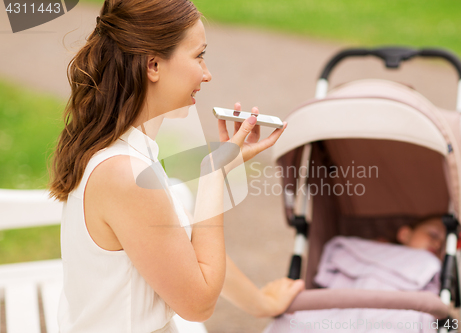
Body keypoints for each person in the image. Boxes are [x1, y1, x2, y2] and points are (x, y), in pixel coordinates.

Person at [48, 1, 304, 332]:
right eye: (199, 55)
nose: (207, 73)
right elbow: (198, 304)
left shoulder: (126, 151)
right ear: (153, 65)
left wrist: (263, 304)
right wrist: (214, 176)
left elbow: (181, 257)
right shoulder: (125, 175)